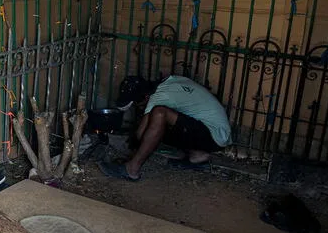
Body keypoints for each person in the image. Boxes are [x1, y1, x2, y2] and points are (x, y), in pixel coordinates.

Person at [99, 75, 231, 181]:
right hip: (216, 132)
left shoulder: (157, 97)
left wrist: (130, 152)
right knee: (158, 127)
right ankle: (198, 156)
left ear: (146, 97)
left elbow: (140, 135)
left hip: (214, 135)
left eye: (138, 104)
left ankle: (131, 169)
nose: (138, 108)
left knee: (159, 114)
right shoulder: (169, 80)